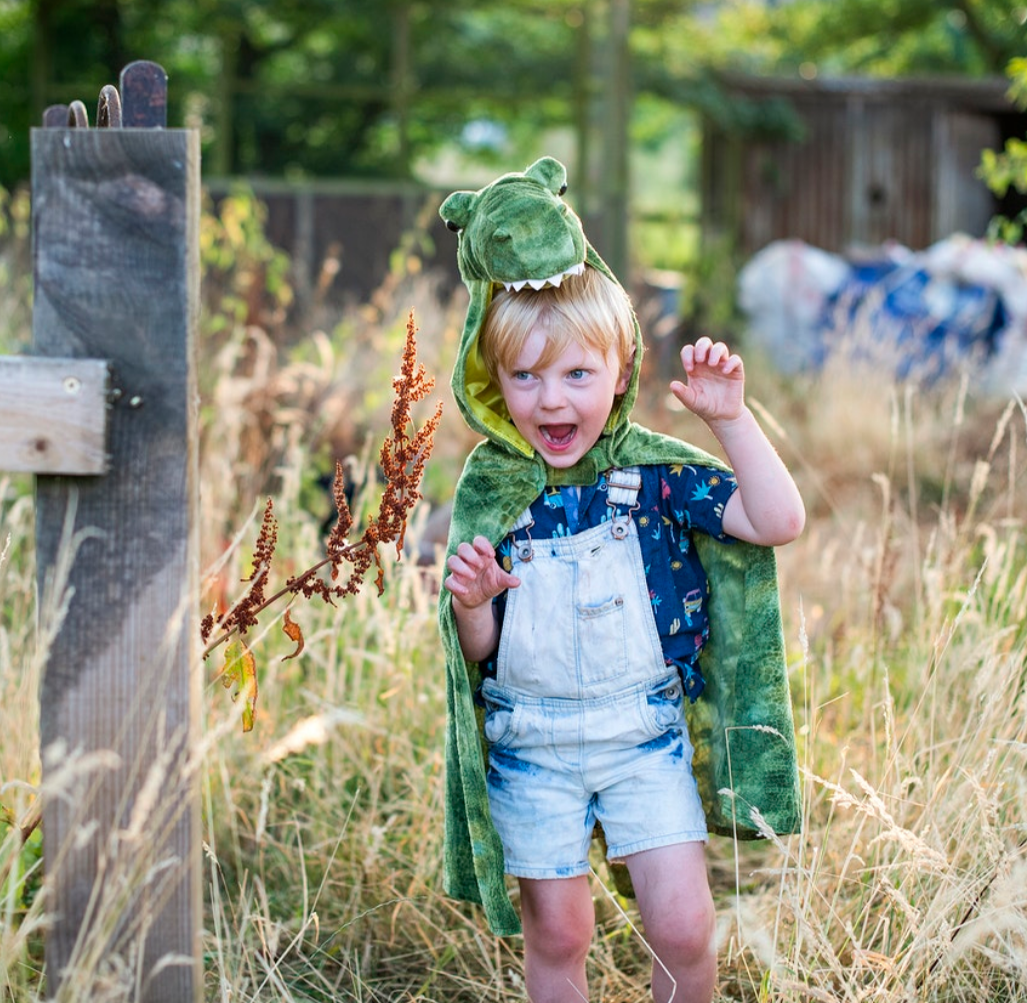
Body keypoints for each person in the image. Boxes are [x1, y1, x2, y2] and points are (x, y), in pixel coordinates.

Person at [437, 157, 804, 1003]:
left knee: (683, 926)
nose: (550, 400)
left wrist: (731, 420)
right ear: (492, 379)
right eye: (524, 376)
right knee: (559, 934)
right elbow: (478, 653)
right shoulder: (494, 493)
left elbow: (775, 519)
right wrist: (473, 604)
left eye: (576, 374)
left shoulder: (654, 478)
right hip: (530, 746)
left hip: (644, 737)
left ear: (621, 367)